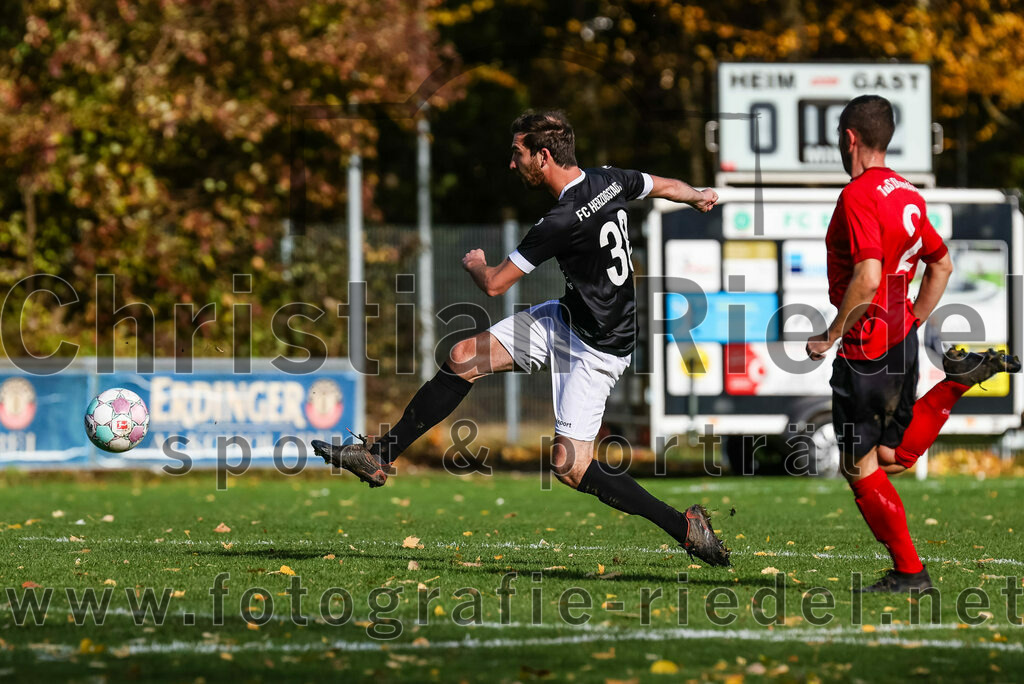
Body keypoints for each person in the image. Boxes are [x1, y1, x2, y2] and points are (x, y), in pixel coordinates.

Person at [313, 110, 730, 567]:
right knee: (464, 355)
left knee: (569, 467)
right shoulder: (610, 179)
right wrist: (698, 196)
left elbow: (494, 283)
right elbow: (665, 185)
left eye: (518, 154)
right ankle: (379, 455)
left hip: (598, 349)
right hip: (569, 319)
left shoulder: (560, 219)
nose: (512, 165)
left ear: (543, 156)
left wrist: (474, 262)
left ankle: (684, 527)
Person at [805, 95, 1021, 593]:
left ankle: (910, 572)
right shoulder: (908, 193)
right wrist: (915, 318)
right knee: (891, 457)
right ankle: (953, 388)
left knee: (859, 469)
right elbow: (941, 264)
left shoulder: (859, 195)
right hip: (902, 340)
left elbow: (867, 274)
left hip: (867, 345)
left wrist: (830, 334)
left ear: (849, 138)